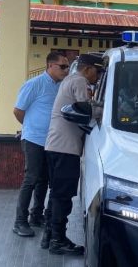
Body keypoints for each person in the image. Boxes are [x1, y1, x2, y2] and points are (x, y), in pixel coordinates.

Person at [43, 53, 104, 254]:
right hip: (66, 148)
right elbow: (86, 110)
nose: (98, 76)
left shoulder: (68, 80)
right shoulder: (79, 81)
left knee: (56, 193)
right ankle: (58, 240)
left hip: (54, 145)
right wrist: (107, 109)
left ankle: (49, 236)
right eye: (97, 71)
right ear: (87, 69)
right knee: (63, 196)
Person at [12, 51, 70, 238]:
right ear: (50, 66)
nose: (66, 70)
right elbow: (18, 110)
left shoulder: (60, 86)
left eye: (67, 67)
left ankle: (36, 216)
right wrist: (30, 128)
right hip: (33, 140)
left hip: (51, 141)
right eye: (63, 66)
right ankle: (19, 221)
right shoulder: (34, 84)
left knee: (44, 179)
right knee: (31, 179)